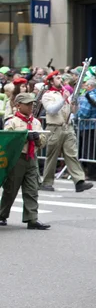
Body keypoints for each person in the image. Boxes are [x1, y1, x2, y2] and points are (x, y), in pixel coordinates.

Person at [0, 93, 49, 229]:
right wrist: (24, 137)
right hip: (17, 158)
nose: (31, 107)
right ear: (18, 105)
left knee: (32, 189)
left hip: (31, 158)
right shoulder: (12, 122)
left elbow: (43, 141)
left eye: (32, 104)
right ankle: (2, 214)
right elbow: (7, 140)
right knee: (11, 189)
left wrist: (37, 138)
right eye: (27, 104)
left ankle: (32, 219)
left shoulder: (35, 122)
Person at [40, 71, 93, 193]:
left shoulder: (65, 93)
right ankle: (47, 182)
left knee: (72, 154)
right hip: (54, 127)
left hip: (67, 126)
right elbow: (51, 110)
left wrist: (75, 102)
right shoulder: (48, 95)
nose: (61, 79)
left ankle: (79, 181)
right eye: (57, 78)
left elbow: (74, 111)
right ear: (51, 81)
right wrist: (63, 99)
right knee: (52, 156)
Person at [76, 77, 96, 181]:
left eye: (86, 85)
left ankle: (91, 174)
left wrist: (76, 114)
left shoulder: (88, 96)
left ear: (90, 86)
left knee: (89, 152)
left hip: (88, 127)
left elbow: (84, 113)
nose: (84, 87)